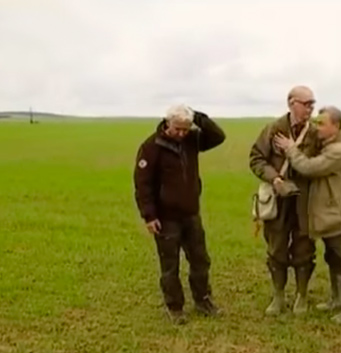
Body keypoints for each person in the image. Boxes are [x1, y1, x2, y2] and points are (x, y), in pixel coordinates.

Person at [133, 104, 226, 324]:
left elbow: (218, 137)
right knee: (170, 265)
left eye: (186, 128)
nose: (182, 133)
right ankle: (175, 308)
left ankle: (203, 301)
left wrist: (198, 118)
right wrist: (149, 216)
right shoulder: (151, 147)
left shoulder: (191, 140)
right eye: (178, 129)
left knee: (200, 261)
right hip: (166, 218)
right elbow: (142, 185)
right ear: (167, 123)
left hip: (191, 214)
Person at [274, 106, 341, 324]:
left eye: (322, 123)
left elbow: (309, 167)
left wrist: (291, 149)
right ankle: (336, 299)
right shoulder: (331, 145)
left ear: (336, 126)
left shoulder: (338, 151)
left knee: (340, 260)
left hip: (335, 214)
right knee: (331, 258)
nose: (317, 126)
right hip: (328, 213)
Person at [249, 86, 321, 316]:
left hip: (306, 200)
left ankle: (301, 294)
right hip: (278, 201)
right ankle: (278, 295)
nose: (310, 108)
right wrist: (275, 178)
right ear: (291, 103)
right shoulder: (273, 129)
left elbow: (335, 153)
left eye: (313, 103)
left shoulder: (316, 132)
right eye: (306, 103)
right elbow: (256, 158)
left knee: (305, 248)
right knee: (276, 248)